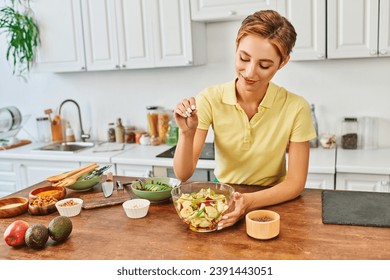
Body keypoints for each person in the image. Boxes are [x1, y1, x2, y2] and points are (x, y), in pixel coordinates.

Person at [173, 10, 316, 230]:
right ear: (236, 46)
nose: (249, 72)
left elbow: (295, 184)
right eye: (244, 58)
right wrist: (186, 133)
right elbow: (183, 174)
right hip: (223, 202)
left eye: (264, 65)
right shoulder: (210, 98)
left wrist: (247, 202)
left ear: (283, 62)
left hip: (274, 202)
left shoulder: (296, 107)